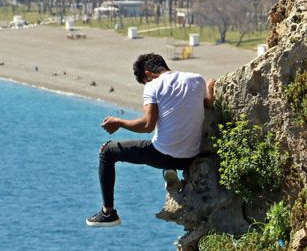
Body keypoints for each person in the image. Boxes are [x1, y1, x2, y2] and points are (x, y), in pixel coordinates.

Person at [86, 53, 215, 227]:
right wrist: (210, 87)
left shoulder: (152, 86)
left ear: (147, 74)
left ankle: (108, 213)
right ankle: (170, 172)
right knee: (167, 132)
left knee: (107, 151)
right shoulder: (197, 79)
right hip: (190, 156)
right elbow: (208, 104)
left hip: (163, 155)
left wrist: (119, 122)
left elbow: (147, 125)